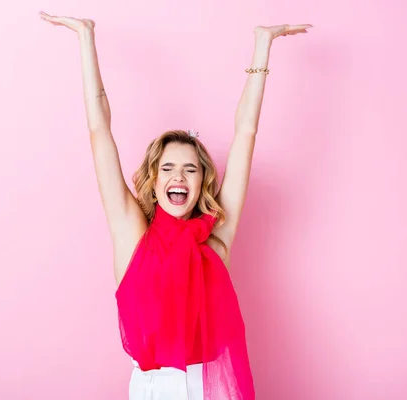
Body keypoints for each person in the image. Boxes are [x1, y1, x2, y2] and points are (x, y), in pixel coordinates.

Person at [39, 11, 312, 400]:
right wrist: (86, 38)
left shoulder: (216, 239)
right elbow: (99, 131)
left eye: (189, 169)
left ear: (203, 182)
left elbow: (245, 134)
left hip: (208, 388)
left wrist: (262, 46)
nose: (178, 177)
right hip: (151, 388)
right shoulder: (131, 232)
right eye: (167, 168)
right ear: (154, 179)